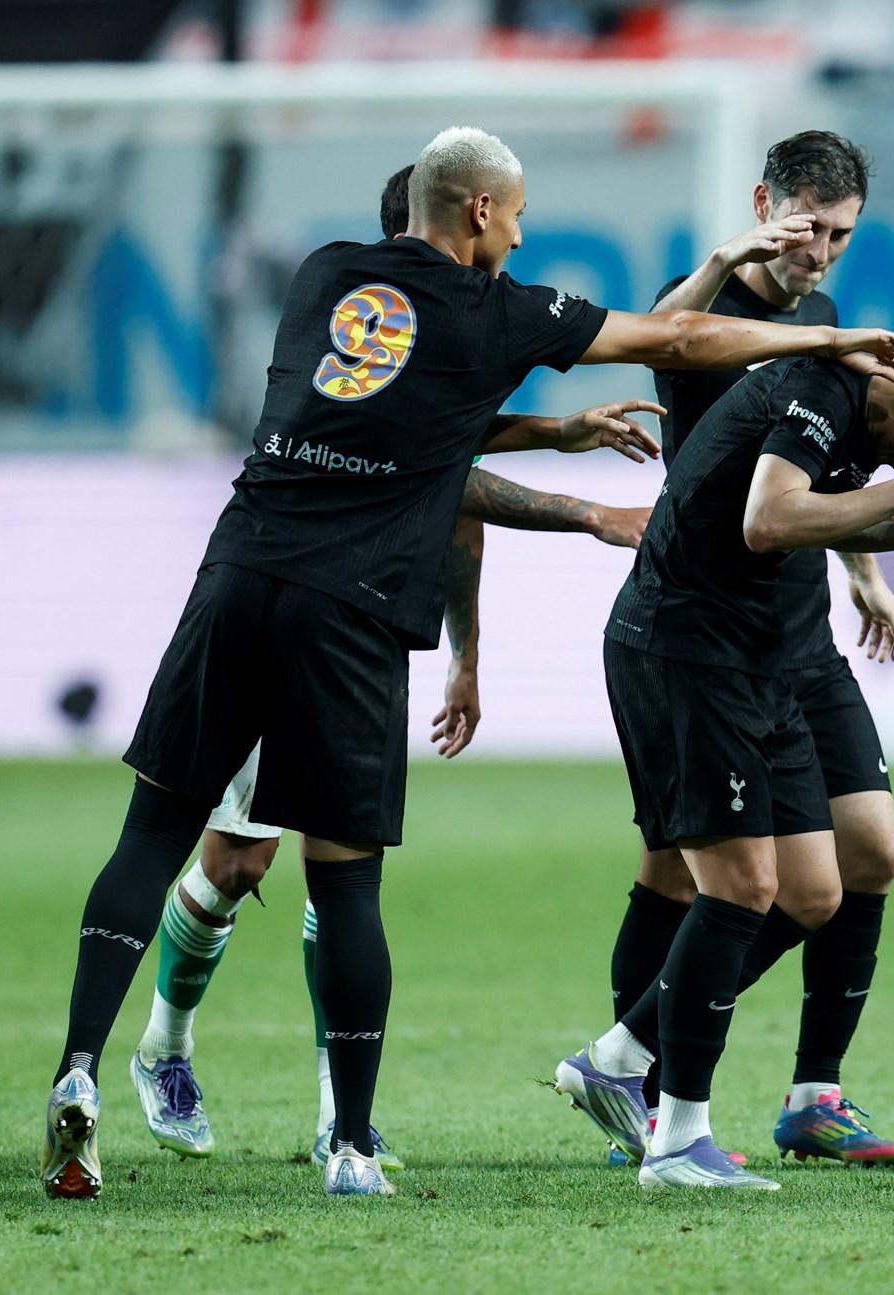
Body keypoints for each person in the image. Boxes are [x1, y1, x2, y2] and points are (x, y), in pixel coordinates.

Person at [42, 124, 894, 1201]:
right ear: (478, 211)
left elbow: (413, 420)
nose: (519, 236)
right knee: (333, 876)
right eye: (514, 217)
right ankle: (348, 1140)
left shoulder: (324, 275)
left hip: (240, 568)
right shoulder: (502, 310)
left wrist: (552, 438)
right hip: (358, 607)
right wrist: (827, 342)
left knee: (157, 837)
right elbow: (676, 336)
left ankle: (82, 1064)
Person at [127, 162, 662, 1172]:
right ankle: (165, 1045)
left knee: (340, 872)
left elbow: (452, 497)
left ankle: (342, 1117)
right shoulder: (377, 331)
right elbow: (449, 468)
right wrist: (581, 493)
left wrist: (467, 655)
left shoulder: (450, 334)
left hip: (360, 626)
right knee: (238, 863)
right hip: (280, 601)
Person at [593, 356, 894, 1189]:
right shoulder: (825, 388)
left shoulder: (878, 411)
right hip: (687, 643)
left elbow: (820, 514)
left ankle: (621, 1055)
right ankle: (677, 1139)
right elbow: (768, 519)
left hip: (762, 653)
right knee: (734, 884)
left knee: (814, 889)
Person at [557, 131, 894, 1170]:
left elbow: (822, 460)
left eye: (842, 234)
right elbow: (667, 340)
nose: (822, 253)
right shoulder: (702, 302)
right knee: (686, 872)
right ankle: (641, 1088)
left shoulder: (826, 316)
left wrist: (862, 567)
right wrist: (724, 257)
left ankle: (808, 1091)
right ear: (767, 206)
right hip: (703, 619)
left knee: (867, 853)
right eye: (809, 229)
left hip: (795, 624)